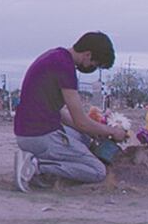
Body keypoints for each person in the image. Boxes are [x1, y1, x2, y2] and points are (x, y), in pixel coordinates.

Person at [12, 32, 127, 192]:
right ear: (88, 55)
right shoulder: (64, 67)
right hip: (40, 136)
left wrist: (94, 131)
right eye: (95, 63)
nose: (92, 67)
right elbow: (81, 121)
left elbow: (62, 114)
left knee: (84, 139)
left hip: (29, 133)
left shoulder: (56, 57)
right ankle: (36, 167)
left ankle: (40, 164)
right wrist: (112, 131)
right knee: (97, 171)